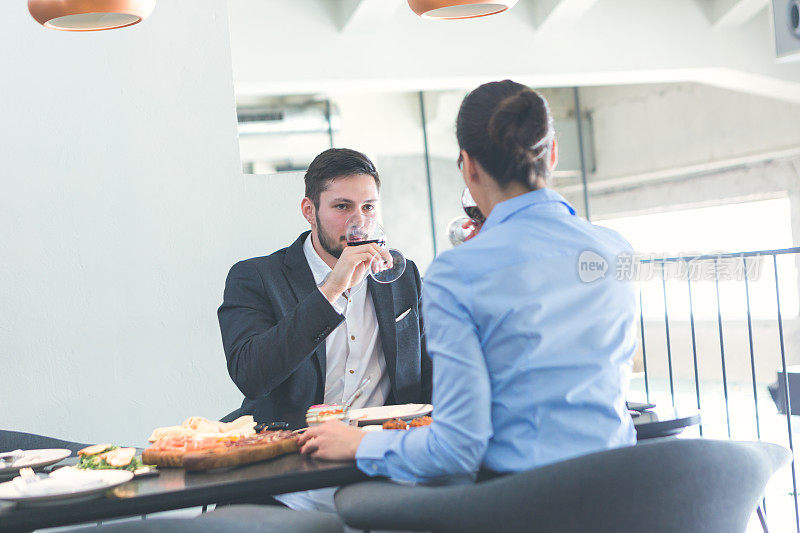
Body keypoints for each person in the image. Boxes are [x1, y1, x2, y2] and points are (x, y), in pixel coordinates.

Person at [298, 80, 638, 483]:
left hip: (523, 502)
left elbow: (456, 450)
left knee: (359, 502)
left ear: (468, 165)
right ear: (553, 152)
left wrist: (357, 445)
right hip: (622, 492)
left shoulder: (458, 273)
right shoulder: (618, 251)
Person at [217, 148, 432, 432]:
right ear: (309, 211)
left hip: (380, 445)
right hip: (292, 449)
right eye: (342, 206)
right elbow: (251, 377)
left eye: (368, 207)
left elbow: (431, 372)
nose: (360, 222)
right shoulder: (255, 277)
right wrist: (331, 290)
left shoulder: (402, 276)